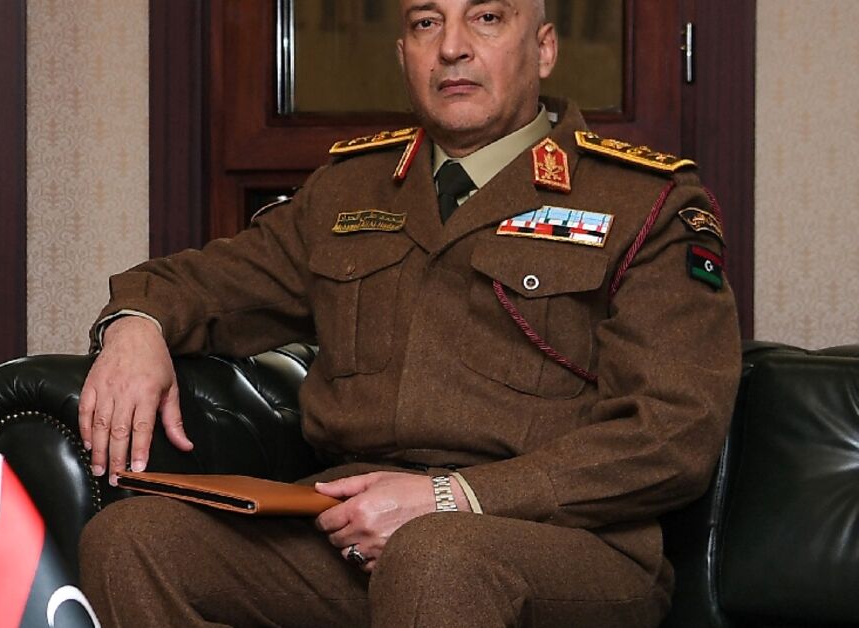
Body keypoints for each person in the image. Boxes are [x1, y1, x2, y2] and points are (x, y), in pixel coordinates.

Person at [77, 0, 740, 625]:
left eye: (486, 17)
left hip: (562, 537)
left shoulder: (643, 201)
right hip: (351, 523)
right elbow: (203, 283)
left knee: (435, 554)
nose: (452, 48)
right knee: (133, 539)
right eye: (427, 22)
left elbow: (671, 433)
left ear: (543, 49)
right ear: (403, 53)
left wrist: (456, 497)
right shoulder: (349, 189)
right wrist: (135, 325)